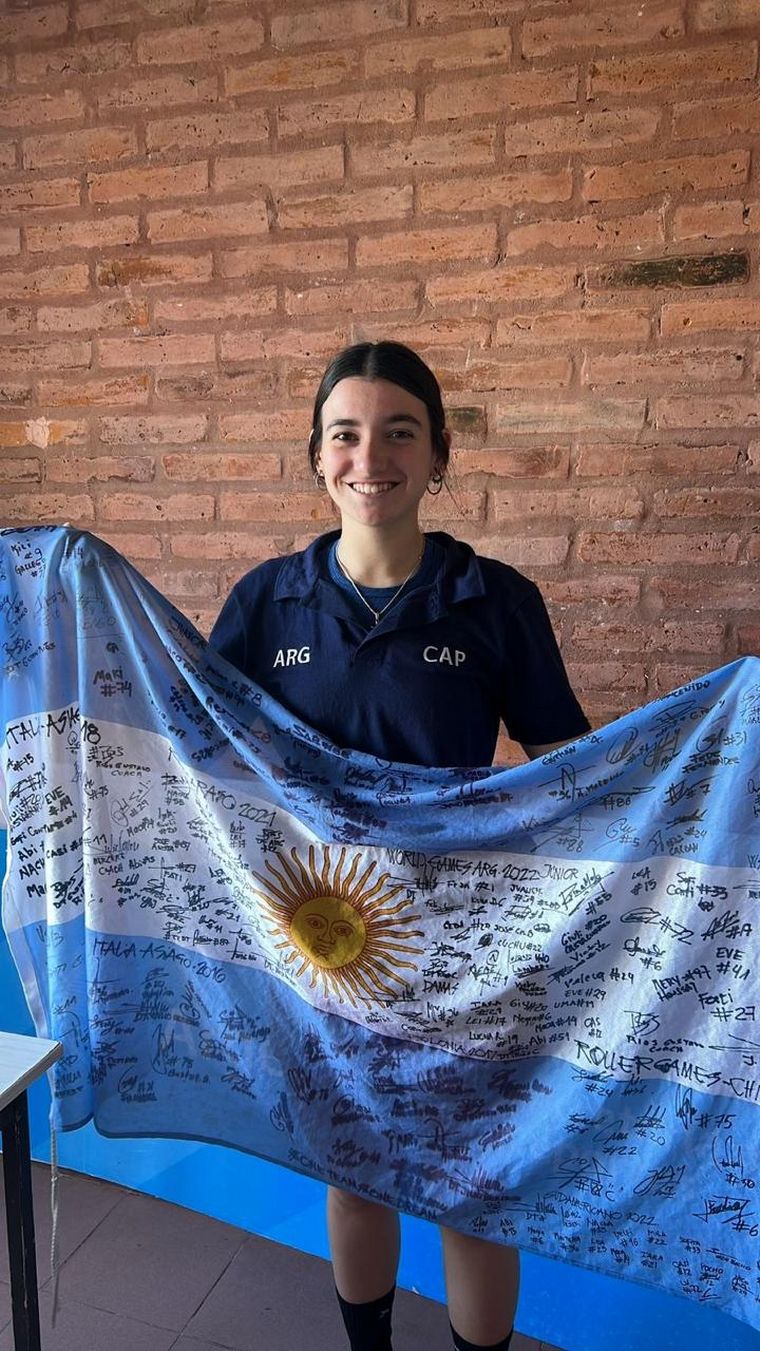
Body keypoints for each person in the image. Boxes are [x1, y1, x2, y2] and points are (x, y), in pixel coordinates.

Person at [209, 341, 590, 1351]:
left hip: (469, 956)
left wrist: (710, 748)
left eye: (397, 431)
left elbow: (576, 770)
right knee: (357, 1175)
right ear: (316, 454)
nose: (367, 455)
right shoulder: (264, 602)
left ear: (437, 454)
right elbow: (197, 756)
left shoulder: (494, 601)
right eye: (345, 433)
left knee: (471, 1191)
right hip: (327, 949)